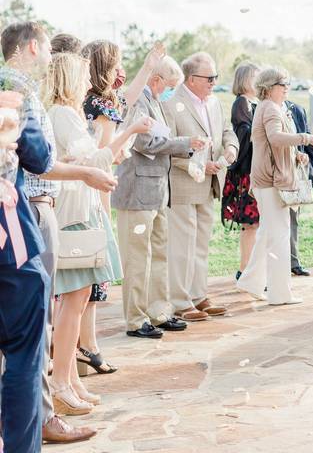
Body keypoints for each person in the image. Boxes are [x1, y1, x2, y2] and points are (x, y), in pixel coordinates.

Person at [0, 23, 114, 445]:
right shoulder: (18, 92)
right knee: (26, 348)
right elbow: (39, 158)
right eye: (48, 46)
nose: (51, 54)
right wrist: (86, 170)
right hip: (13, 225)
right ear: (33, 47)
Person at [46, 53, 151, 413]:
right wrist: (130, 133)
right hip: (74, 212)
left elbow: (89, 158)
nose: (87, 84)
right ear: (68, 80)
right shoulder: (63, 115)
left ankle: (71, 379)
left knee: (78, 299)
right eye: (80, 78)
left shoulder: (67, 115)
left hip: (82, 206)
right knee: (73, 301)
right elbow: (94, 160)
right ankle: (61, 382)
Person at [113, 55, 205, 338]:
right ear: (156, 79)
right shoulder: (137, 100)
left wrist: (184, 145)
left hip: (158, 191)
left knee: (160, 255)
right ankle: (136, 319)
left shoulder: (156, 101)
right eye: (170, 85)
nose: (171, 91)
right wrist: (183, 143)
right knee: (138, 258)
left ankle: (159, 311)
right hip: (137, 193)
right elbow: (143, 142)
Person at [163, 52, 238, 321]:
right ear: (192, 79)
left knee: (201, 244)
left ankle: (199, 295)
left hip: (211, 182)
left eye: (216, 77)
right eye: (210, 78)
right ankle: (180, 301)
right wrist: (196, 165)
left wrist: (230, 149)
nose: (214, 82)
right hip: (183, 184)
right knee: (182, 245)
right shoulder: (171, 104)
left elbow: (227, 132)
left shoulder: (215, 103)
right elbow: (167, 147)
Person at [0, 91, 56, 453]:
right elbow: (40, 158)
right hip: (11, 250)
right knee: (23, 357)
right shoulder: (9, 98)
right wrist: (25, 111)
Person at [237, 68, 313, 305]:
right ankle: (280, 294)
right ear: (270, 87)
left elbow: (273, 145)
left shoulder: (268, 107)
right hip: (272, 180)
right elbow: (275, 138)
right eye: (283, 84)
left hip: (268, 178)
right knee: (279, 236)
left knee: (267, 233)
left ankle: (250, 282)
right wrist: (305, 138)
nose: (287, 88)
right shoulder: (270, 108)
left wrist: (296, 155)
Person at [223, 62, 260, 279]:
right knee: (250, 224)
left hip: (257, 170)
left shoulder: (255, 103)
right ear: (245, 79)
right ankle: (245, 269)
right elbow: (243, 133)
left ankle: (251, 268)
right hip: (246, 173)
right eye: (255, 77)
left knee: (257, 224)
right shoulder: (241, 103)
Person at [285, 99, 313, 276]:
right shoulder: (262, 107)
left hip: (297, 175)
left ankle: (293, 261)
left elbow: (307, 138)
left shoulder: (296, 109)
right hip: (273, 175)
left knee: (293, 218)